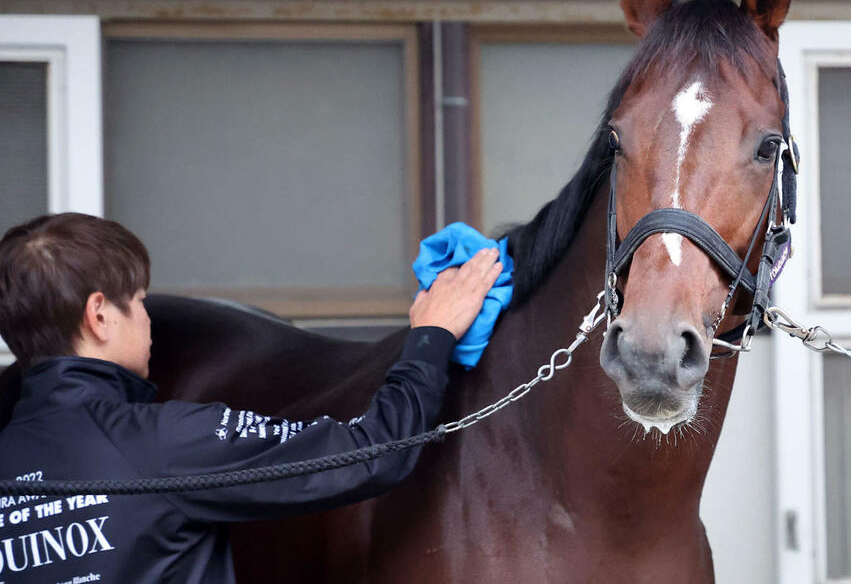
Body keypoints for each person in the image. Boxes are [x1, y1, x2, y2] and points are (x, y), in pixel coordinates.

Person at [0, 212, 502, 583]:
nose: (147, 320)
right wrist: (432, 334)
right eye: (138, 302)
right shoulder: (162, 443)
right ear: (100, 315)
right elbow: (371, 453)